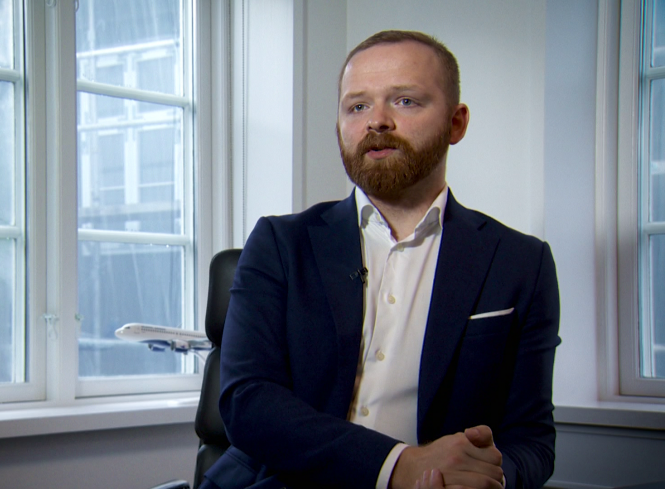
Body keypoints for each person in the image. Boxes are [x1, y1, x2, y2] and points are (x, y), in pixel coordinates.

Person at [200, 30, 560, 489]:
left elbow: (531, 439)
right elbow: (247, 402)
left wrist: (484, 478)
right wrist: (398, 465)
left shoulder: (521, 262)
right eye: (357, 106)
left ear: (456, 123)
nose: (377, 122)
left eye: (405, 101)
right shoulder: (280, 243)